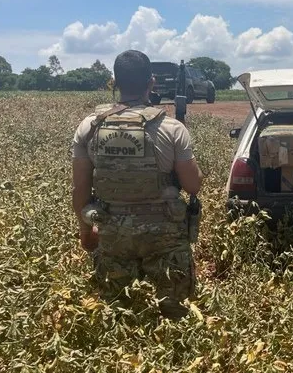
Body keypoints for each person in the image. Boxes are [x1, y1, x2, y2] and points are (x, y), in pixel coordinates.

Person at [71, 50, 203, 318]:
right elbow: (193, 186)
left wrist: (86, 234)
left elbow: (80, 190)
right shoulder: (172, 128)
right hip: (165, 236)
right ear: (151, 83)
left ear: (114, 83)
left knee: (117, 313)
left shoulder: (89, 127)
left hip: (112, 234)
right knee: (173, 317)